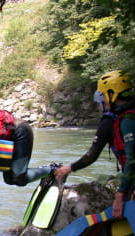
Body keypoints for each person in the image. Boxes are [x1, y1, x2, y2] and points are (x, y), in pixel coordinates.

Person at [54, 90, 118, 181]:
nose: (98, 108)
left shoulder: (108, 122)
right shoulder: (125, 114)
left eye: (98, 104)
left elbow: (92, 155)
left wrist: (70, 168)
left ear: (105, 102)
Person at [97, 70, 135, 218]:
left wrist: (120, 195)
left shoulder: (127, 121)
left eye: (104, 95)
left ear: (112, 94)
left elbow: (132, 159)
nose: (104, 101)